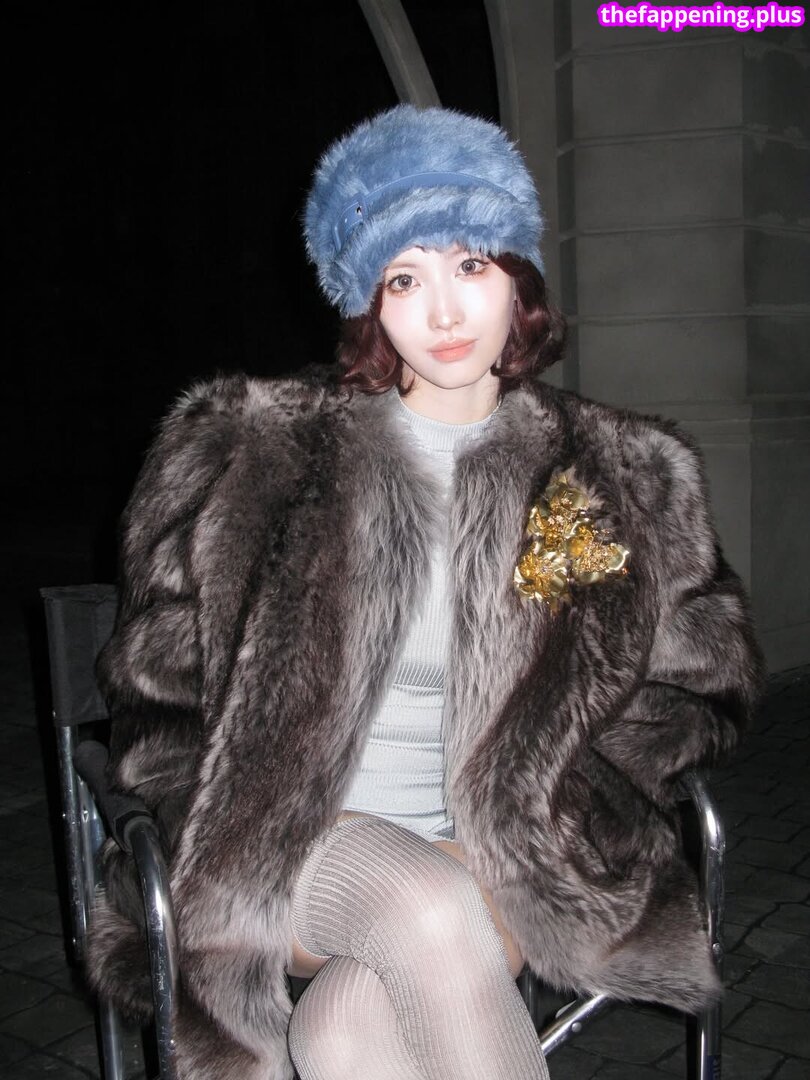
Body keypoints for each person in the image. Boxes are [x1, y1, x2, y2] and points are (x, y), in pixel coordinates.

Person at [88, 105, 764, 1080]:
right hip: (286, 854)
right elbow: (156, 695)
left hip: (502, 849)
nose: (444, 314)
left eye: (470, 266)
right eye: (403, 279)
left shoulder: (619, 473)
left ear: (517, 279)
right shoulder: (249, 455)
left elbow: (704, 683)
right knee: (426, 907)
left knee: (341, 1036)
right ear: (369, 302)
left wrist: (562, 791)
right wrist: (210, 816)